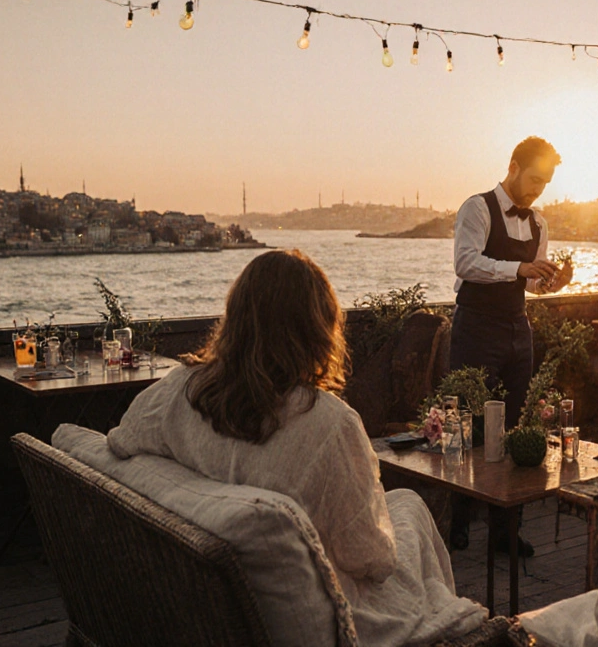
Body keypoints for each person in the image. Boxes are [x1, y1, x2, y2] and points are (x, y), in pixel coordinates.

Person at [106, 250, 485, 647]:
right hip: (326, 611)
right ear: (317, 328)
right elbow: (371, 559)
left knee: (404, 503)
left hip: (208, 595)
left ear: (234, 318)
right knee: (409, 508)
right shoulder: (326, 424)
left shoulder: (179, 391)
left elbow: (119, 439)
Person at [449, 136, 573, 553]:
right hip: (476, 328)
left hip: (518, 330)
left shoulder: (540, 223)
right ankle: (458, 521)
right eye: (535, 179)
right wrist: (520, 267)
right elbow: (466, 263)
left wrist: (553, 282)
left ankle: (505, 531)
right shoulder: (476, 208)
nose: (539, 189)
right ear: (514, 167)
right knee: (469, 425)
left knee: (519, 427)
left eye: (546, 182)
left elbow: (533, 285)